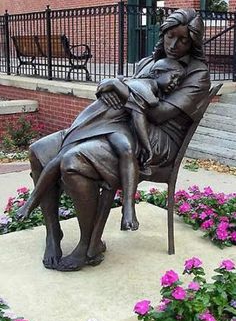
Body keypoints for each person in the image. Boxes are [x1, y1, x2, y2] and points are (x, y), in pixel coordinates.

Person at [28, 8, 210, 271]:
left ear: (193, 42)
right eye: (171, 36)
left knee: (73, 160)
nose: (174, 45)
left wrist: (121, 89)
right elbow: (124, 94)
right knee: (39, 151)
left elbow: (159, 114)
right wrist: (109, 84)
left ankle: (88, 246)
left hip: (156, 140)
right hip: (118, 123)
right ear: (164, 34)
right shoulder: (148, 62)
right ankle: (52, 232)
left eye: (183, 40)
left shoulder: (198, 74)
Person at [16, 58, 186, 231]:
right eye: (173, 77)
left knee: (126, 149)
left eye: (178, 81)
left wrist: (116, 83)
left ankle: (128, 209)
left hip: (116, 123)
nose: (175, 83)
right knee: (60, 158)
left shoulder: (145, 87)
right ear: (157, 73)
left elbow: (130, 103)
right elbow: (138, 116)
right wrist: (147, 146)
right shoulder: (145, 85)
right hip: (99, 120)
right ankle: (31, 202)